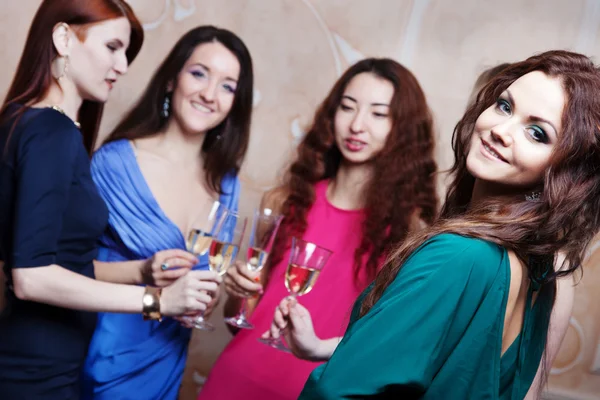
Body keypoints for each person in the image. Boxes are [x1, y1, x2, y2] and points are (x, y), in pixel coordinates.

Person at [265, 50, 598, 399]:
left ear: (566, 172)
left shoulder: (458, 255)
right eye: (504, 106)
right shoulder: (538, 271)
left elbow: (338, 392)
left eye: (536, 133)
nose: (501, 130)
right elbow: (446, 367)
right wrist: (326, 347)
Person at [0, 1, 220, 398]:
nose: (122, 66)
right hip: (34, 374)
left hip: (46, 363)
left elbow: (65, 262)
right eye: (112, 47)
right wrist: (157, 301)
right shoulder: (52, 131)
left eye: (126, 53)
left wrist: (141, 271)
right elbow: (31, 277)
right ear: (64, 38)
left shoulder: (30, 122)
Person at [198, 58, 438, 400]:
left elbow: (390, 347)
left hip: (315, 392)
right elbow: (238, 320)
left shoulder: (410, 234)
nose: (357, 124)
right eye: (348, 107)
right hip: (234, 382)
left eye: (378, 114)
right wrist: (241, 291)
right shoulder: (287, 201)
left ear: (404, 128)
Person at [82, 25, 253, 399]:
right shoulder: (115, 164)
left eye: (227, 86)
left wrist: (225, 293)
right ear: (172, 80)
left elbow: (206, 287)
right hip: (103, 355)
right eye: (199, 73)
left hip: (168, 358)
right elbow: (65, 269)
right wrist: (143, 273)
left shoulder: (227, 185)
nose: (209, 94)